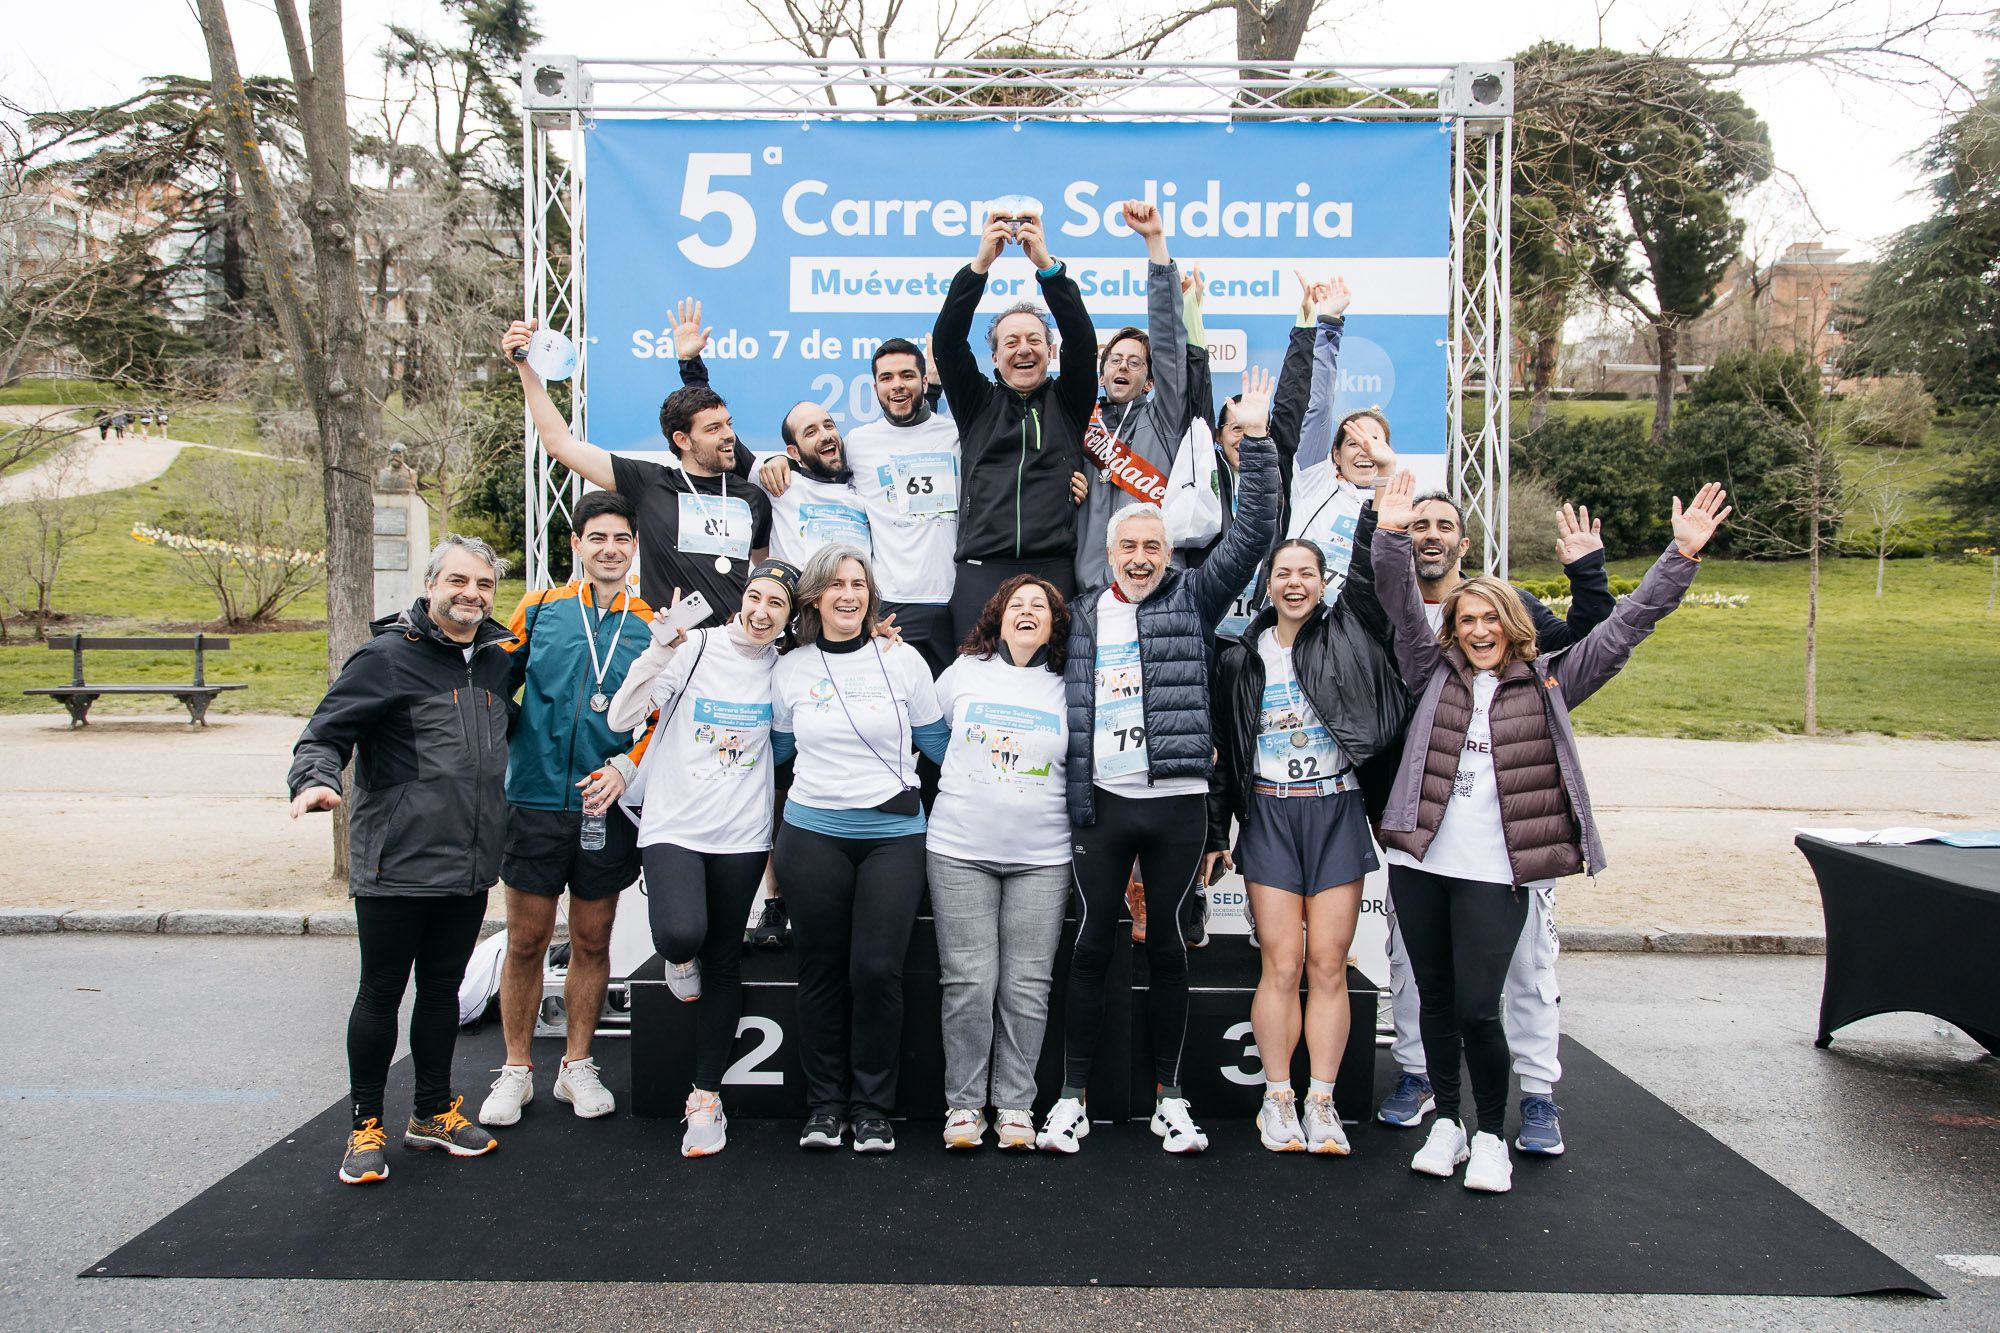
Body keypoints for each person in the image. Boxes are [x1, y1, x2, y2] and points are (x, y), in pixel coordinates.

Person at [1370, 470, 1731, 1193]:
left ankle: (1492, 1134)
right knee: (1434, 999)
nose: (1477, 631)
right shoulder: (1428, 669)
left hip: (1498, 872)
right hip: (1421, 864)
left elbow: (1628, 625)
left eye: (1490, 620)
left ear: (1513, 626)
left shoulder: (1553, 678)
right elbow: (1397, 597)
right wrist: (1388, 531)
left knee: (1479, 1004)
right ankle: (1446, 1122)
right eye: (1466, 621)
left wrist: (1680, 557)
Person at [1038, 367, 1281, 1156]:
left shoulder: (1192, 596)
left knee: (1170, 946)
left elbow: (1251, 534)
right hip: (1102, 806)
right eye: (1128, 546)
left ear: (1168, 550)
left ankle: (1172, 1096)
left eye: (1152, 545)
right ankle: (1071, 1095)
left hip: (1177, 803)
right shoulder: (1081, 617)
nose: (1140, 556)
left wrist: (1260, 442)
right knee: (1091, 945)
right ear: (1109, 553)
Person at [1355, 490, 1615, 1152]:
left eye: (1444, 524)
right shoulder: (1392, 612)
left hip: (1515, 832)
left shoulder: (1507, 604)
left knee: (1526, 968)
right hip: (1424, 830)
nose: (1431, 534)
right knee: (1415, 969)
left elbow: (1586, 648)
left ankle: (1536, 1094)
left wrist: (1588, 573)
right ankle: (1419, 1078)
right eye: (1419, 526)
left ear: (1463, 543)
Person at [287, 535, 515, 1185]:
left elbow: (513, 733)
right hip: (396, 861)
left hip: (469, 862)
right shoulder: (386, 657)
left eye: (484, 584)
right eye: (459, 581)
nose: (472, 593)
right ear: (430, 585)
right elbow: (324, 733)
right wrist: (314, 779)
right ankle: (365, 1125)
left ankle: (431, 1111)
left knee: (442, 991)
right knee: (381, 993)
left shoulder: (497, 661)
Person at [1204, 537, 1410, 1153]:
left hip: (1336, 808)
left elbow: (1373, 584)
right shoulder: (1241, 656)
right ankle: (1277, 1098)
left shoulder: (1347, 633)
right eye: (1283, 573)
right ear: (1267, 584)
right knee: (1283, 962)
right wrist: (1218, 831)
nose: (1294, 583)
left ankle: (1322, 1099)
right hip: (1270, 810)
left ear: (1323, 582)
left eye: (1306, 573)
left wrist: (1380, 517)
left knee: (1327, 961)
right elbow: (1223, 753)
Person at [607, 559, 800, 1157]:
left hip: (741, 835)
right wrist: (659, 650)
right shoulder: (695, 649)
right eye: (756, 596)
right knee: (680, 933)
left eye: (777, 604)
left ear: (790, 618)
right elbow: (620, 716)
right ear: (742, 597)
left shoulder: (784, 672)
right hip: (676, 824)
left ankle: (706, 1098)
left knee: (723, 960)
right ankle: (676, 958)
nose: (762, 611)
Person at [477, 490, 655, 1129]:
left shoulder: (651, 624)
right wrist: (523, 733)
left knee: (591, 937)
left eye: (622, 540)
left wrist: (624, 765)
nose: (610, 550)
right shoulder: (540, 607)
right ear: (576, 545)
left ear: (634, 548)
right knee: (525, 940)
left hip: (602, 802)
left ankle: (576, 1066)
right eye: (597, 538)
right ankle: (516, 1069)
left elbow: (659, 716)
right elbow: (491, 680)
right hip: (533, 798)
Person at [770, 546, 949, 1152]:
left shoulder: (904, 662)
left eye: (860, 584)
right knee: (819, 971)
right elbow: (773, 754)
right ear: (815, 595)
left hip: (893, 838)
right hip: (811, 833)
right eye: (837, 584)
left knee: (876, 971)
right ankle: (825, 1106)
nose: (850, 594)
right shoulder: (789, 670)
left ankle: (872, 1107)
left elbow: (939, 746)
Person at [502, 317, 771, 625]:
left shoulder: (753, 498)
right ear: (682, 440)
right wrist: (525, 366)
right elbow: (559, 444)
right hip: (667, 649)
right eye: (713, 428)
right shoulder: (649, 483)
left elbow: (766, 574)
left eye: (729, 424)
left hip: (731, 652)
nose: (729, 435)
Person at [929, 574, 1072, 1150]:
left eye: (1041, 606)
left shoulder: (1069, 683)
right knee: (968, 982)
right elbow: (929, 732)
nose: (1029, 612)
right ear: (999, 614)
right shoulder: (965, 672)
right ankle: (963, 1107)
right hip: (960, 851)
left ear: (1055, 623)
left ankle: (1015, 1106)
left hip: (1043, 856)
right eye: (1019, 604)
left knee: (1026, 985)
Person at [932, 200, 1097, 640]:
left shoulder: (1068, 401)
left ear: (1050, 350)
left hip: (1053, 566)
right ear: (994, 356)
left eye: (1034, 340)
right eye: (1011, 342)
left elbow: (1083, 340)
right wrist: (980, 266)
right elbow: (946, 342)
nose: (1023, 349)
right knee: (974, 677)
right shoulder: (976, 403)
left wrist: (1047, 267)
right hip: (983, 567)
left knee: (1051, 680)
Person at [1072, 201, 1190, 593]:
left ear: (1151, 380)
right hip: (1090, 590)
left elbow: (1171, 346)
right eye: (1116, 360)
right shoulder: (1079, 421)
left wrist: (1156, 244)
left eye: (1136, 363)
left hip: (1153, 584)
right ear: (1102, 373)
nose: (1123, 368)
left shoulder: (1164, 419)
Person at [825, 337, 961, 675]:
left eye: (906, 375)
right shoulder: (858, 443)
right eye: (887, 378)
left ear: (924, 380)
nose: (897, 385)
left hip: (954, 598)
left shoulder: (958, 433)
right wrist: (780, 464)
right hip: (892, 601)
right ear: (875, 387)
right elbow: (817, 479)